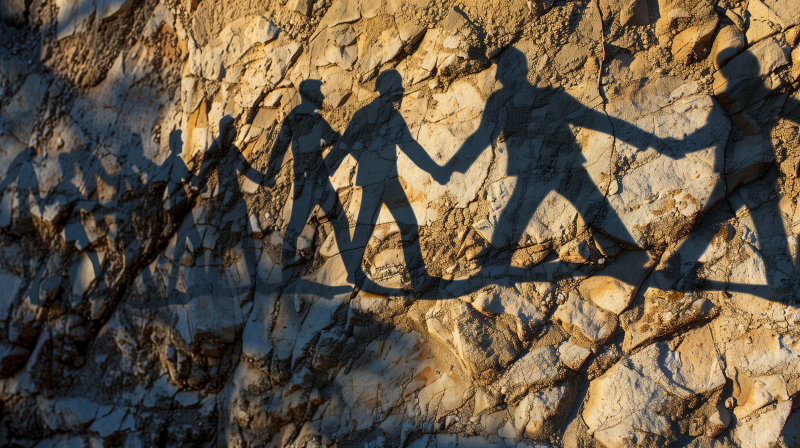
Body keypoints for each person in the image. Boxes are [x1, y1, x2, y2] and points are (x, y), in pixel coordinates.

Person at [442, 47, 691, 262]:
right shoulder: (514, 101)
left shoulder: (527, 101)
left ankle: (635, 256)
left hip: (554, 169)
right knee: (520, 217)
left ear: (516, 71)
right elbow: (481, 137)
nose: (499, 75)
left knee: (520, 218)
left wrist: (653, 142)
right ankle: (633, 255)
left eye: (504, 69)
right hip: (553, 168)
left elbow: (599, 122)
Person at [658, 48, 800, 301]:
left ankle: (674, 269)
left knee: (714, 215)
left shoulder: (727, 96)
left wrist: (678, 145)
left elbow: (705, 134)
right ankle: (781, 277)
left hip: (734, 165)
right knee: (742, 215)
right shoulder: (758, 94)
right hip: (754, 163)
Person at [326, 70, 448, 292]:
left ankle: (355, 273)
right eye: (397, 93)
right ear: (392, 92)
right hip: (381, 181)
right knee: (402, 224)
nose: (399, 99)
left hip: (381, 179)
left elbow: (408, 147)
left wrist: (434, 169)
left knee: (370, 226)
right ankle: (418, 278)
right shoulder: (378, 116)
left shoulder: (376, 116)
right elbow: (346, 145)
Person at [265, 79, 340, 267]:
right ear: (309, 95)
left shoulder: (307, 117)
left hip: (311, 178)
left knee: (300, 226)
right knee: (297, 226)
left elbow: (331, 137)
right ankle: (286, 265)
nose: (322, 96)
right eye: (318, 92)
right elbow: (279, 148)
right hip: (309, 179)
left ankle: (287, 263)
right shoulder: (301, 118)